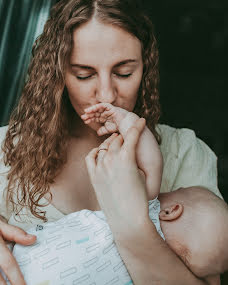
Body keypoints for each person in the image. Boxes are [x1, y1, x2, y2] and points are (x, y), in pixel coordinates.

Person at [0, 0, 224, 284]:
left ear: (147, 67)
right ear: (56, 74)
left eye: (124, 73)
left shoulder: (184, 153)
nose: (106, 95)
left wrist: (134, 228)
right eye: (84, 74)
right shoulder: (4, 151)